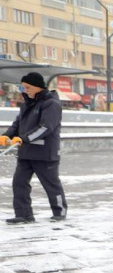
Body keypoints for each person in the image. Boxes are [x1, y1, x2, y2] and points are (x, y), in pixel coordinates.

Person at [2, 72, 68, 224]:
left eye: (28, 87)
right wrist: (7, 135)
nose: (25, 90)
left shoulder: (51, 104)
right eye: (24, 87)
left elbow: (45, 128)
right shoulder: (26, 104)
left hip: (45, 153)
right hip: (26, 152)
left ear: (38, 87)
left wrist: (23, 138)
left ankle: (60, 212)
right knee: (19, 183)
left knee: (51, 185)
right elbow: (17, 125)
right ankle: (24, 215)